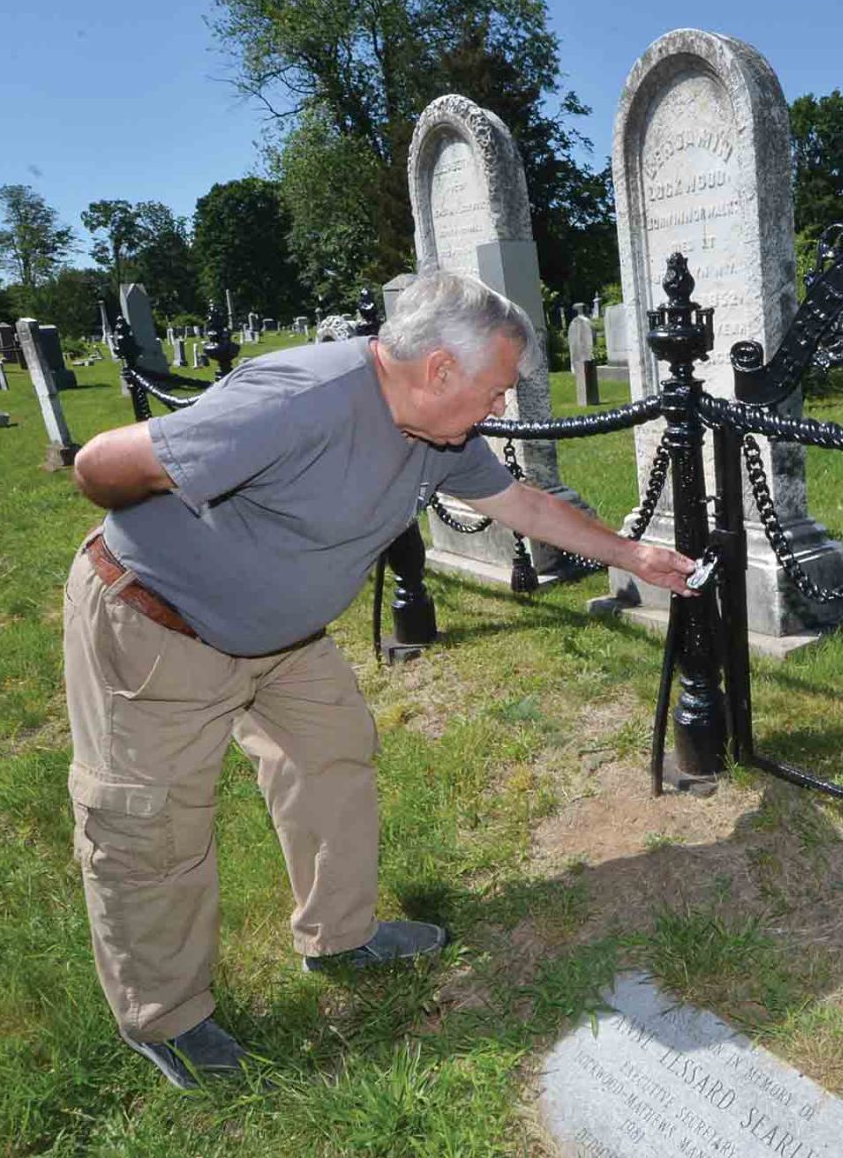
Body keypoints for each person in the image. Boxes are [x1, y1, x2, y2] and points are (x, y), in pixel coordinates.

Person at [63, 271, 694, 1089]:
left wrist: (633, 554)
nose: (498, 408)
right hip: (157, 626)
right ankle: (165, 1018)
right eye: (494, 389)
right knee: (151, 827)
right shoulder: (299, 398)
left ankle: (338, 935)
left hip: (285, 641)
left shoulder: (441, 434)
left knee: (333, 757)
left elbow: (523, 505)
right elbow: (97, 466)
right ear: (438, 370)